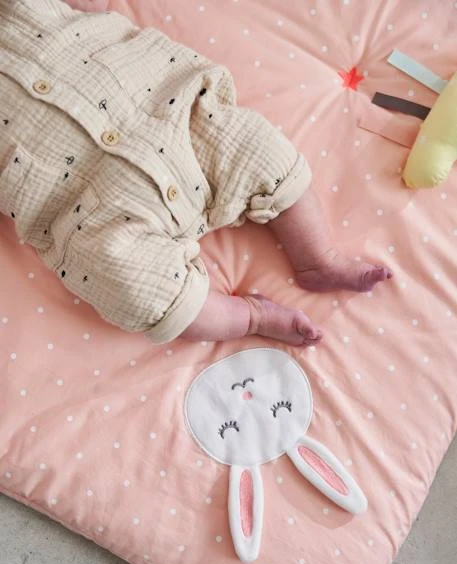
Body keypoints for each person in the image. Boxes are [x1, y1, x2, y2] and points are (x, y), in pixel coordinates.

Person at [0, 0, 392, 347]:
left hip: (171, 117)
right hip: (91, 208)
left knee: (260, 151)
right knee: (129, 283)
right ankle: (251, 317)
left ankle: (318, 258)